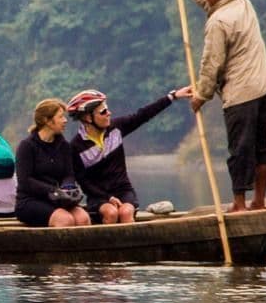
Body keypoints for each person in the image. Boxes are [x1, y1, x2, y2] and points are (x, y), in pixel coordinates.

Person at [168, 0, 266, 212]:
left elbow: (212, 63)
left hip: (242, 94)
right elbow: (206, 0)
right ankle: (258, 202)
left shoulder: (218, 22)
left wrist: (201, 96)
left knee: (239, 149)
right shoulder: (243, 4)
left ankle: (239, 205)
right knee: (260, 147)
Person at [66, 86, 193, 223]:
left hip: (123, 190)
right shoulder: (76, 146)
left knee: (126, 212)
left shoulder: (116, 129)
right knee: (111, 213)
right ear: (87, 118)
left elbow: (143, 115)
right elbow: (84, 182)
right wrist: (107, 198)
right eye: (103, 112)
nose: (109, 113)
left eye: (107, 109)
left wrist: (173, 96)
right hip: (99, 197)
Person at [13, 99, 92, 228]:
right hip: (30, 201)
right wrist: (53, 191)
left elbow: (69, 174)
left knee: (83, 218)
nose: (65, 120)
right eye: (61, 117)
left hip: (58, 200)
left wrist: (67, 188)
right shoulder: (27, 146)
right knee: (65, 220)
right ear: (47, 121)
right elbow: (25, 181)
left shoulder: (64, 146)